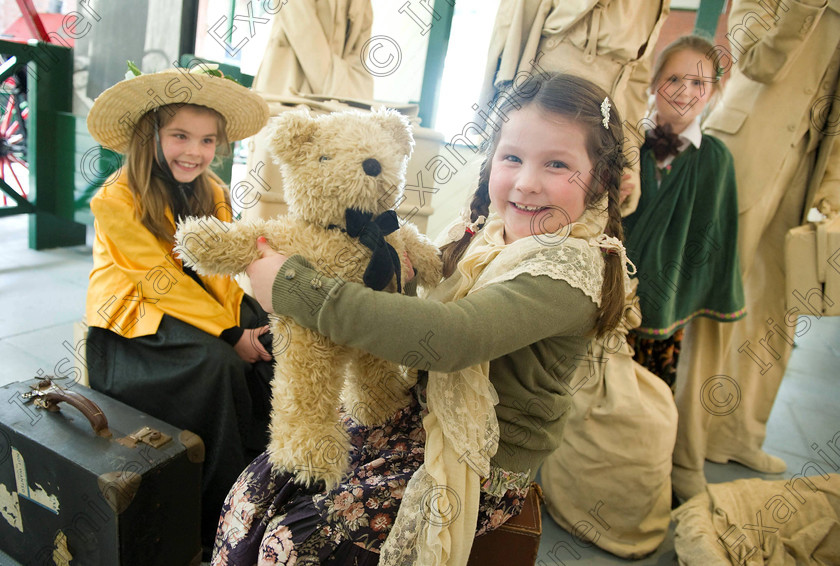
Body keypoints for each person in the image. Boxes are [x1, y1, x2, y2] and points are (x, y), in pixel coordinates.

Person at [211, 73, 632, 565]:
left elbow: (453, 336)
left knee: (295, 542)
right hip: (423, 410)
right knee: (258, 488)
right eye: (511, 157)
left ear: (600, 179)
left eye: (557, 164)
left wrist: (294, 287)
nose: (526, 182)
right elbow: (418, 298)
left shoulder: (570, 268)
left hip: (482, 460)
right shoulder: (491, 232)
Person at [84, 65, 271, 549]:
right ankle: (216, 519)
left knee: (272, 331)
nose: (195, 151)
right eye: (180, 136)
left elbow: (219, 269)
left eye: (208, 140)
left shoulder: (213, 191)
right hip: (134, 321)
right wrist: (231, 336)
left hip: (201, 301)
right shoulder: (115, 199)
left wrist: (241, 324)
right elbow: (159, 281)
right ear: (151, 136)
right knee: (219, 365)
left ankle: (267, 473)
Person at [673, 0, 840, 500]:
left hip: (808, 171)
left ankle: (736, 432)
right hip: (744, 151)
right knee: (713, 300)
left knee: (778, 309)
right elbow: (758, 60)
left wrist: (832, 191)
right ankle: (683, 447)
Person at [622, 35, 746, 390]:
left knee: (647, 396)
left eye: (698, 83)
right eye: (673, 78)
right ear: (653, 81)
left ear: (714, 93)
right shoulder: (628, 143)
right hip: (612, 296)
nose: (684, 90)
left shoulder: (715, 158)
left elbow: (713, 235)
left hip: (667, 305)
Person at [476, 0, 670, 215]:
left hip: (605, 134)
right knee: (508, 215)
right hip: (541, 103)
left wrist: (630, 161)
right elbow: (512, 33)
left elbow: (636, 83)